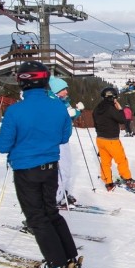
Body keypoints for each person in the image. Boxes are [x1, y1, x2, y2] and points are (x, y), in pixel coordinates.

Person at [0, 61, 80, 268]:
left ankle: (56, 262)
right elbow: (64, 136)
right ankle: (69, 257)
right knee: (50, 212)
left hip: (26, 169)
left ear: (22, 83)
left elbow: (2, 145)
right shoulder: (58, 107)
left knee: (36, 217)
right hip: (50, 167)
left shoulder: (15, 111)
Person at [93, 87, 135, 191]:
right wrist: (119, 108)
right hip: (111, 140)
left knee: (105, 162)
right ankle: (127, 179)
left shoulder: (97, 108)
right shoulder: (111, 108)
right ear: (113, 97)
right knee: (121, 160)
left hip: (100, 139)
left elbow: (95, 123)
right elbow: (123, 119)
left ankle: (108, 183)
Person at [47, 76, 84, 207]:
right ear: (57, 90)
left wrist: (77, 112)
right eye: (64, 89)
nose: (66, 92)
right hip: (57, 141)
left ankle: (63, 193)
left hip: (63, 139)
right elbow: (55, 118)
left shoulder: (63, 101)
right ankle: (57, 197)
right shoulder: (52, 101)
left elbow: (69, 117)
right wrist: (70, 113)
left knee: (66, 168)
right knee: (62, 170)